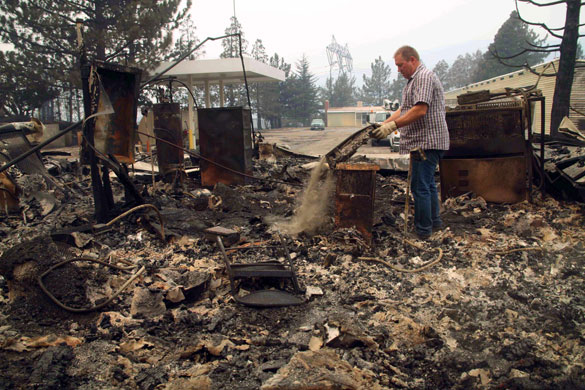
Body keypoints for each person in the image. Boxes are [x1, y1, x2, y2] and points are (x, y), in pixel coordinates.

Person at [372, 45, 450, 239]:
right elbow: (406, 109)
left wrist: (392, 127)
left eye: (400, 65)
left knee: (420, 186)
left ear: (412, 60)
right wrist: (384, 124)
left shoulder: (423, 77)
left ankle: (423, 231)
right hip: (426, 142)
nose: (398, 70)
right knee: (428, 184)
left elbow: (420, 109)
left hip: (427, 142)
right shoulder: (412, 81)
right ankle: (434, 223)